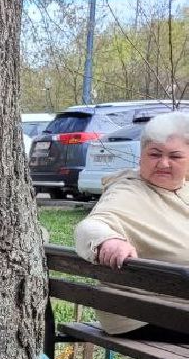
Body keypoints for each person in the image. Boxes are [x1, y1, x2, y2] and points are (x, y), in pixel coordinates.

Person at [74, 111, 189, 339]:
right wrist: (108, 241)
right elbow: (89, 227)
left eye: (175, 157)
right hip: (145, 314)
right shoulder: (127, 191)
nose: (163, 163)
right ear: (141, 156)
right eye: (154, 154)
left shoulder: (183, 189)